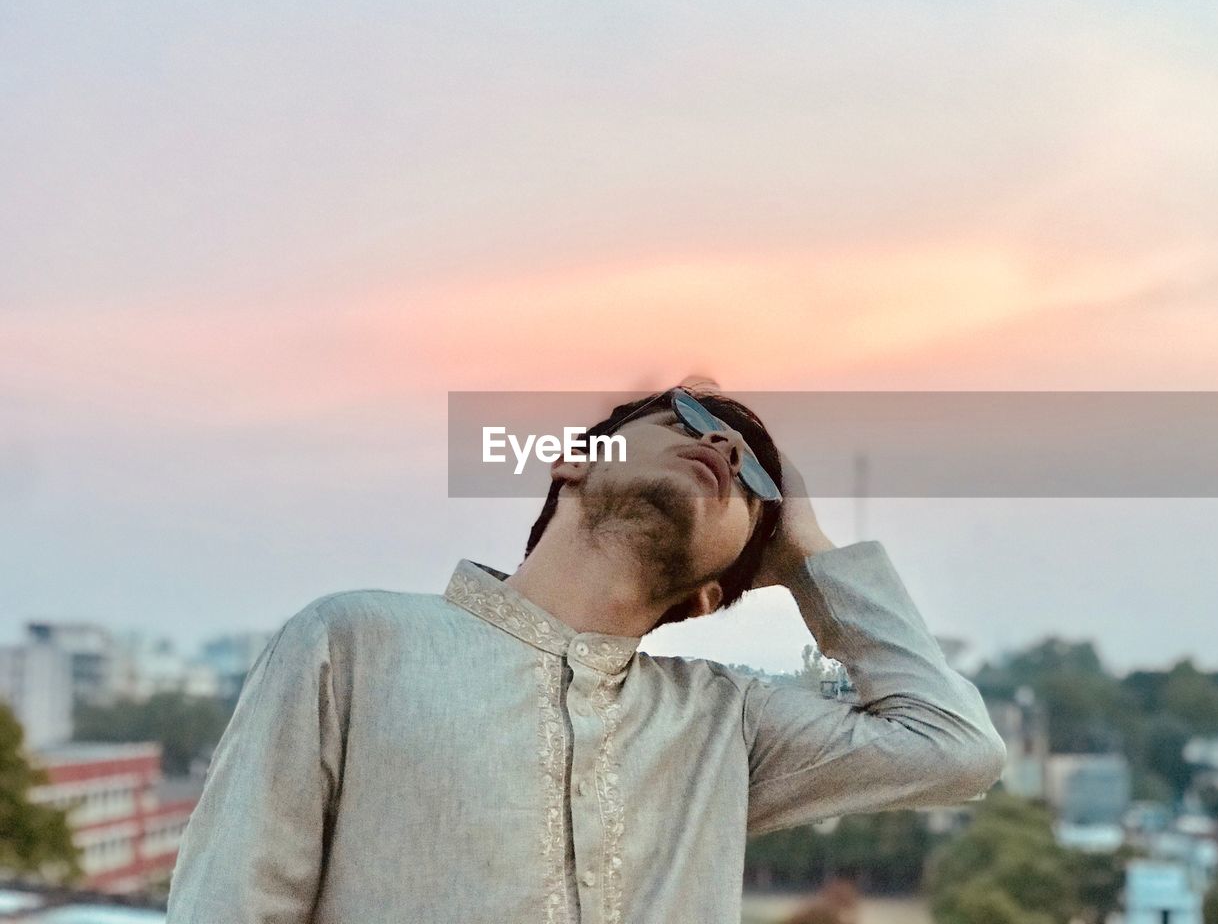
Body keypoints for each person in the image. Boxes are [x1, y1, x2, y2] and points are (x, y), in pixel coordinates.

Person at [166, 381, 1005, 924]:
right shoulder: (354, 644)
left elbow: (955, 750)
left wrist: (809, 551)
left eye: (755, 482)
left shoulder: (725, 726)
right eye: (696, 424)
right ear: (574, 461)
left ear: (713, 595)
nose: (721, 449)